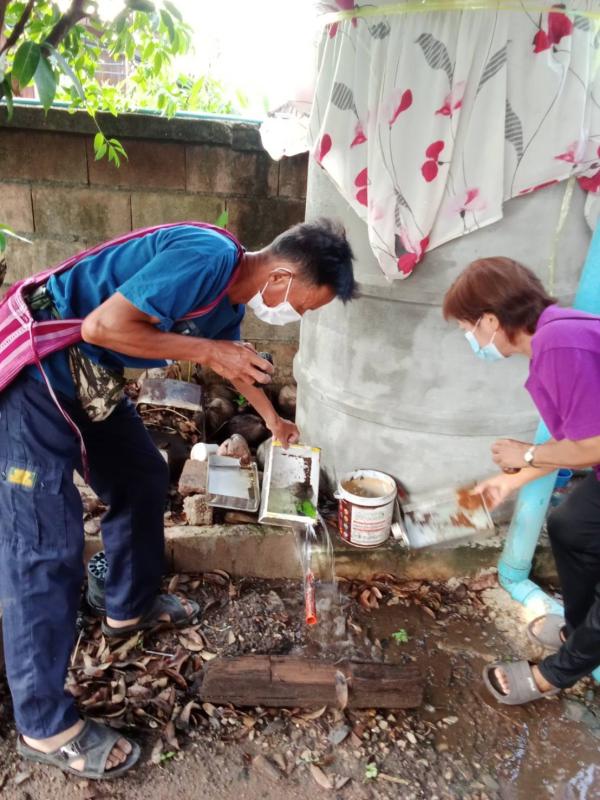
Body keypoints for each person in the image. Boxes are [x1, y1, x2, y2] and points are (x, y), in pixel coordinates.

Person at [0, 218, 356, 779]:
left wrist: (274, 420)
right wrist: (209, 351)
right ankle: (44, 726)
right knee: (42, 543)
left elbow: (233, 361)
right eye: (304, 306)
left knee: (142, 474)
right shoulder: (209, 256)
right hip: (41, 370)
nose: (297, 317)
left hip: (89, 375)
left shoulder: (227, 300)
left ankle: (127, 607)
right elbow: (102, 325)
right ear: (284, 275)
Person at [443, 256, 600, 706]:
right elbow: (578, 439)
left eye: (469, 329)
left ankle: (558, 674)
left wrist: (527, 454)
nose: (471, 339)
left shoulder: (560, 344)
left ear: (491, 320)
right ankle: (578, 629)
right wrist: (507, 482)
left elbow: (592, 445)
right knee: (571, 526)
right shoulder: (554, 336)